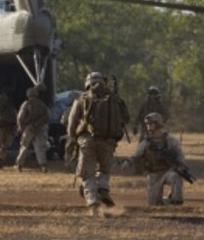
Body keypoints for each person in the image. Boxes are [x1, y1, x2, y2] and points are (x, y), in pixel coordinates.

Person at [67, 72, 129, 215]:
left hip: (87, 142)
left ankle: (93, 202)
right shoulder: (115, 99)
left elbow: (71, 123)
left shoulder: (81, 99)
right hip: (109, 142)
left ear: (87, 83)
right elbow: (126, 119)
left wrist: (74, 139)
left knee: (87, 174)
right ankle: (103, 188)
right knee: (105, 170)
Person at [127, 112, 186, 206]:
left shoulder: (170, 140)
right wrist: (129, 162)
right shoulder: (146, 142)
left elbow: (180, 156)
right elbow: (137, 156)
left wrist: (180, 167)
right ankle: (168, 201)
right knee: (154, 203)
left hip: (167, 172)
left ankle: (176, 200)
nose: (148, 127)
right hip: (153, 175)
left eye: (150, 124)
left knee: (176, 176)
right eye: (147, 124)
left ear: (158, 124)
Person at [15, 86, 50, 173]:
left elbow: (20, 117)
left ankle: (19, 164)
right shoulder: (42, 104)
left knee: (24, 146)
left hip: (29, 128)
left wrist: (20, 127)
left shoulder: (26, 104)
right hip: (41, 128)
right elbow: (47, 116)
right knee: (40, 148)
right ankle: (43, 165)